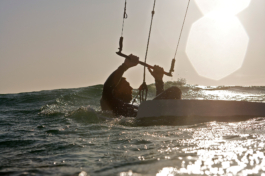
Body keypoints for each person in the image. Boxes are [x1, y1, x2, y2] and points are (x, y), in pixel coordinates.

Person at [100, 54, 182, 117]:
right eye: (126, 85)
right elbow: (107, 87)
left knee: (174, 92)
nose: (131, 88)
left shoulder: (134, 105)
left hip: (149, 120)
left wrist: (158, 80)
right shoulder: (112, 103)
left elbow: (159, 106)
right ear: (116, 90)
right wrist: (125, 66)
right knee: (174, 90)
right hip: (141, 123)